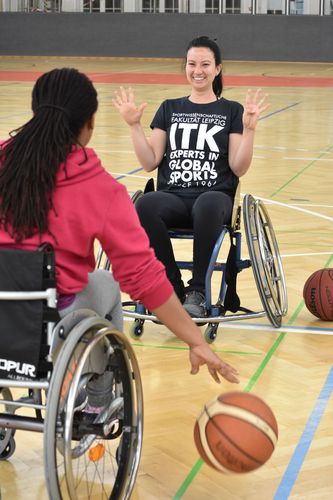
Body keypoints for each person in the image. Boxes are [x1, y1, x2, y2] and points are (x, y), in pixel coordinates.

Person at [0, 67, 238, 388]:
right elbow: (143, 278)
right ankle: (96, 401)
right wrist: (195, 340)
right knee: (108, 283)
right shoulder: (99, 187)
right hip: (48, 321)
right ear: (89, 124)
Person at [112, 35, 269, 318]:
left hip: (214, 198)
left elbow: (239, 167)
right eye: (192, 63)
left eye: (206, 64)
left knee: (207, 202)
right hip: (174, 197)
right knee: (145, 205)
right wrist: (134, 125)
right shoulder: (169, 108)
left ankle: (197, 291)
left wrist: (250, 130)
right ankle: (172, 288)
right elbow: (149, 162)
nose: (198, 70)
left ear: (218, 68)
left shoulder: (231, 110)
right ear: (185, 66)